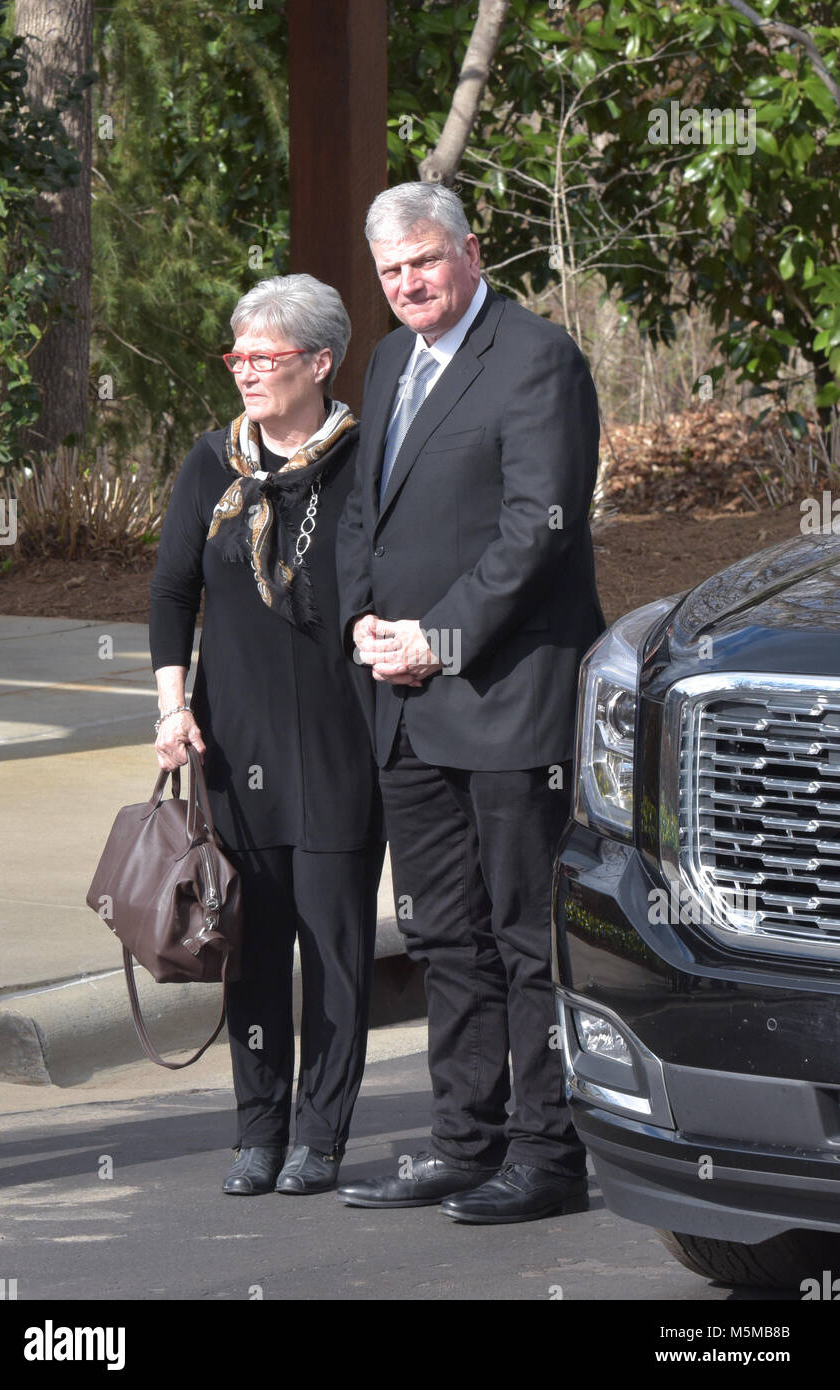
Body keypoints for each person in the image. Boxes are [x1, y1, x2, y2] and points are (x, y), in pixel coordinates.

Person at [336, 183, 605, 1223]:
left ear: (467, 252)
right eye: (391, 271)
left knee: (521, 932)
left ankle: (547, 1154)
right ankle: (463, 1137)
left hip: (504, 697)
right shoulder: (391, 360)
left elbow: (535, 529)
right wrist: (366, 621)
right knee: (441, 933)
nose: (408, 284)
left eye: (424, 262)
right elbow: (368, 514)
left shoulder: (535, 358)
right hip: (403, 698)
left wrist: (433, 637)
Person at [149, 274, 384, 1198]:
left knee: (332, 950)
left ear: (320, 362)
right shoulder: (213, 463)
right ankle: (258, 1130)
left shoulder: (366, 461)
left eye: (266, 356)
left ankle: (320, 1136)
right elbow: (173, 593)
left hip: (337, 743)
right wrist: (172, 707)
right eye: (237, 354)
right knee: (247, 947)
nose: (245, 369)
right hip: (229, 742)